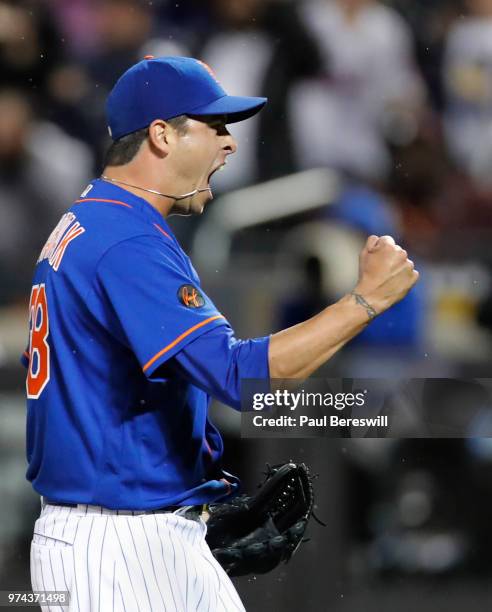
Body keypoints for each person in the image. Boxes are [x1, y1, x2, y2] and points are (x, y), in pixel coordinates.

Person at [23, 56, 418, 611]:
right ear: (161, 134)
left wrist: (186, 503)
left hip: (141, 527)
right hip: (115, 547)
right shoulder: (125, 242)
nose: (229, 144)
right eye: (215, 127)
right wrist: (366, 301)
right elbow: (241, 376)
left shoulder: (98, 223)